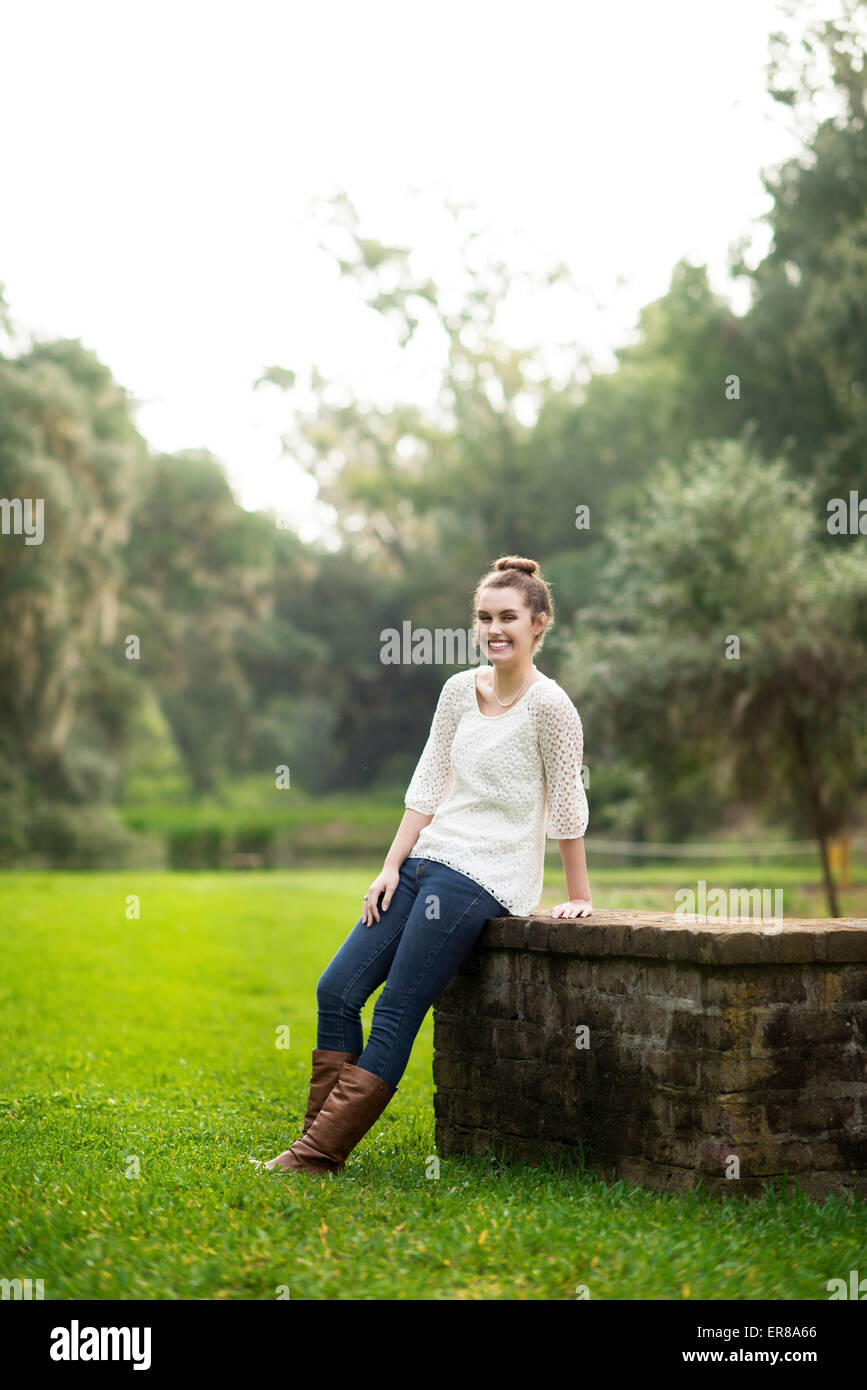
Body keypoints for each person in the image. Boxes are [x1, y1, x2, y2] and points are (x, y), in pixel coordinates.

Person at [264, 555, 591, 1176]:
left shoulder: (552, 706)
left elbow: (569, 803)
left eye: (509, 618)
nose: (495, 629)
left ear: (539, 623)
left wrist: (579, 893)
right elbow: (429, 780)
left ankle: (314, 1157)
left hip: (484, 874)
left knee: (395, 1011)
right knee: (336, 989)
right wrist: (390, 865)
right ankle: (311, 1147)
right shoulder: (456, 692)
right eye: (484, 617)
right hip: (425, 861)